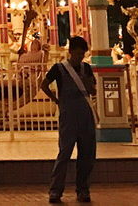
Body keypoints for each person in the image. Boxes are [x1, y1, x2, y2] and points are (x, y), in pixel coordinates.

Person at [41, 34, 97, 204]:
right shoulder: (59, 69)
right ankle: (56, 190)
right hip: (68, 117)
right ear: (70, 51)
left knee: (87, 154)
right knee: (64, 153)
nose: (80, 57)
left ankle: (83, 189)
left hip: (86, 115)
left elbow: (93, 91)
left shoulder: (86, 68)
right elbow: (44, 84)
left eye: (83, 54)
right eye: (78, 53)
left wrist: (87, 83)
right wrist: (55, 100)